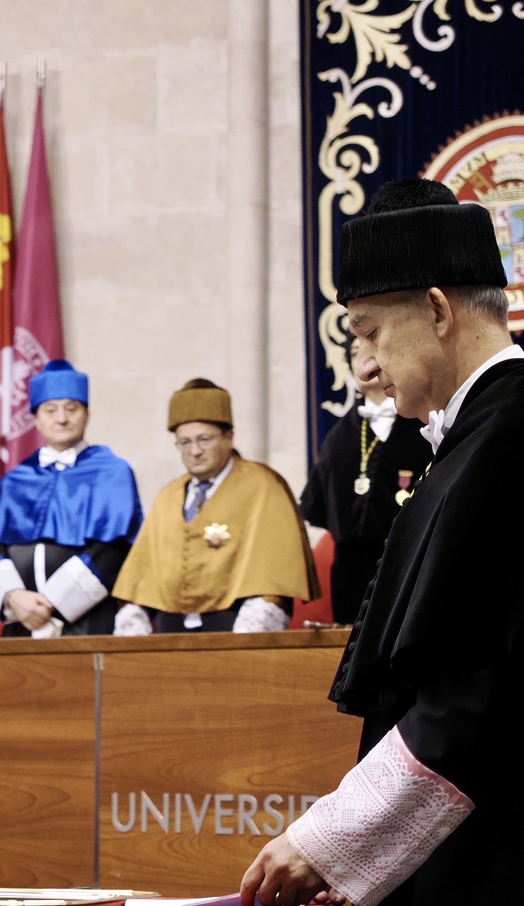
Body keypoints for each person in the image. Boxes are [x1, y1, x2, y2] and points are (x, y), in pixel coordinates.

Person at [240, 179, 524, 906]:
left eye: (368, 331)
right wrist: (375, 865)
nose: (362, 365)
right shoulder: (474, 434)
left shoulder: (511, 433)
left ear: (435, 309)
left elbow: (483, 689)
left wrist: (337, 840)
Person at [112, 379, 318, 634]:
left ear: (229, 437)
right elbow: (140, 580)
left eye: (204, 439)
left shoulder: (263, 486)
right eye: (185, 443)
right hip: (169, 633)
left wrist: (247, 639)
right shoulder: (168, 495)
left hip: (233, 625)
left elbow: (272, 582)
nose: (195, 451)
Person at [0, 359, 144, 638]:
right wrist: (14, 597)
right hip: (20, 623)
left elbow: (113, 549)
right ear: (36, 418)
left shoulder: (112, 472)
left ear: (87, 413)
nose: (61, 418)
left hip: (86, 624)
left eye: (71, 409)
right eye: (50, 410)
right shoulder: (17, 478)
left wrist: (53, 605)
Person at [298, 332, 432, 624]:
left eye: (375, 350)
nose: (366, 360)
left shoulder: (424, 427)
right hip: (350, 570)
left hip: (409, 562)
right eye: (357, 351)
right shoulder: (338, 437)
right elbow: (319, 506)